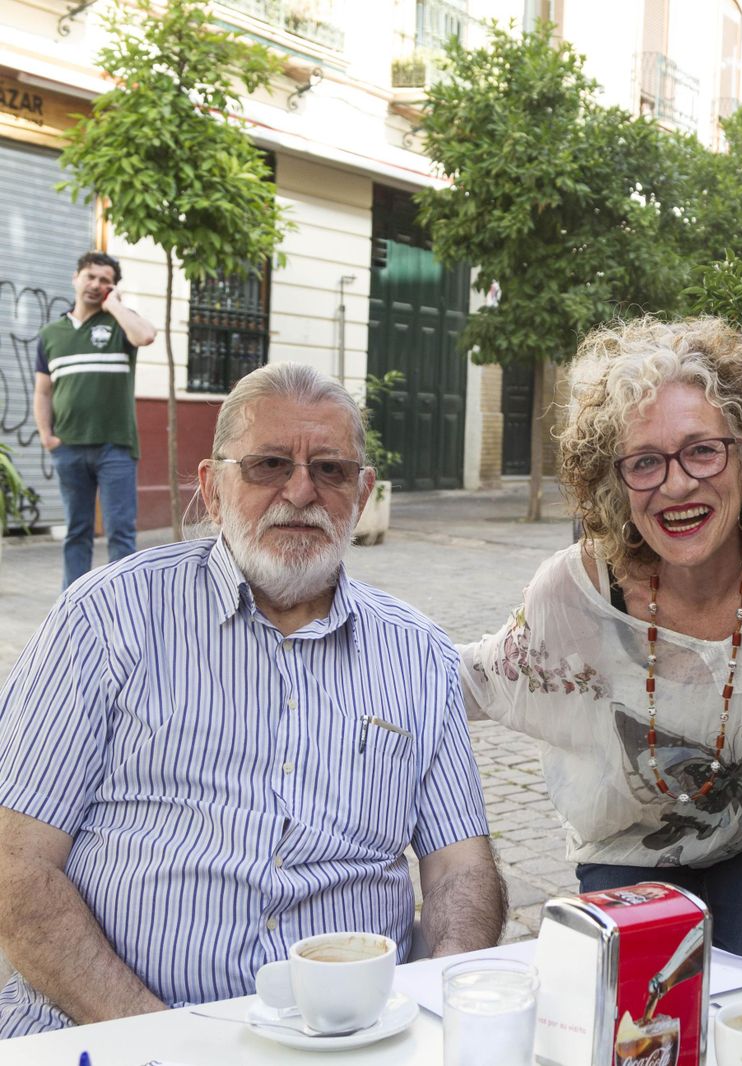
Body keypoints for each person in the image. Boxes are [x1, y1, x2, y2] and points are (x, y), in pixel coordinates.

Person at [0, 363, 505, 1037]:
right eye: (268, 464)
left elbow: (461, 871)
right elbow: (15, 866)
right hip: (114, 1032)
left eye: (330, 470)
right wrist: (166, 1041)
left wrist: (444, 1007)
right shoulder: (105, 620)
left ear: (362, 491)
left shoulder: (416, 653)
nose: (300, 492)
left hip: (349, 1041)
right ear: (212, 488)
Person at [461, 316, 742, 959]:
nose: (676, 484)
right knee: (640, 1025)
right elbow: (468, 680)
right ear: (614, 483)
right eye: (645, 461)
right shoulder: (575, 592)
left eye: (702, 450)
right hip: (626, 857)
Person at [33, 251, 156, 590]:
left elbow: (145, 335)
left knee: (120, 531)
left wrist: (114, 305)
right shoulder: (51, 334)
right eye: (90, 276)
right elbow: (43, 392)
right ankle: (73, 606)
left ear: (113, 287)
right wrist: (47, 435)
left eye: (105, 280)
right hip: (68, 448)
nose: (96, 284)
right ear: (76, 278)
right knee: (77, 531)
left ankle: (120, 604)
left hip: (115, 448)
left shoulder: (119, 324)